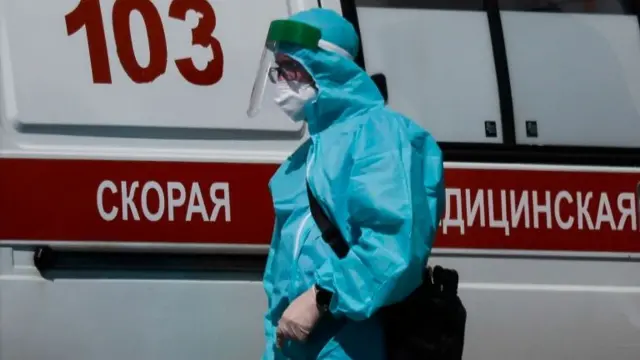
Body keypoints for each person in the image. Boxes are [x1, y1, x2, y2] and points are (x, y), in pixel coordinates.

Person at [247, 8, 445, 360]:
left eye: (290, 66)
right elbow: (281, 277)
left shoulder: (381, 136)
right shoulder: (303, 161)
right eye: (277, 68)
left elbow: (392, 249)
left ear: (326, 65)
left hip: (357, 342)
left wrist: (321, 297)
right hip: (302, 344)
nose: (281, 80)